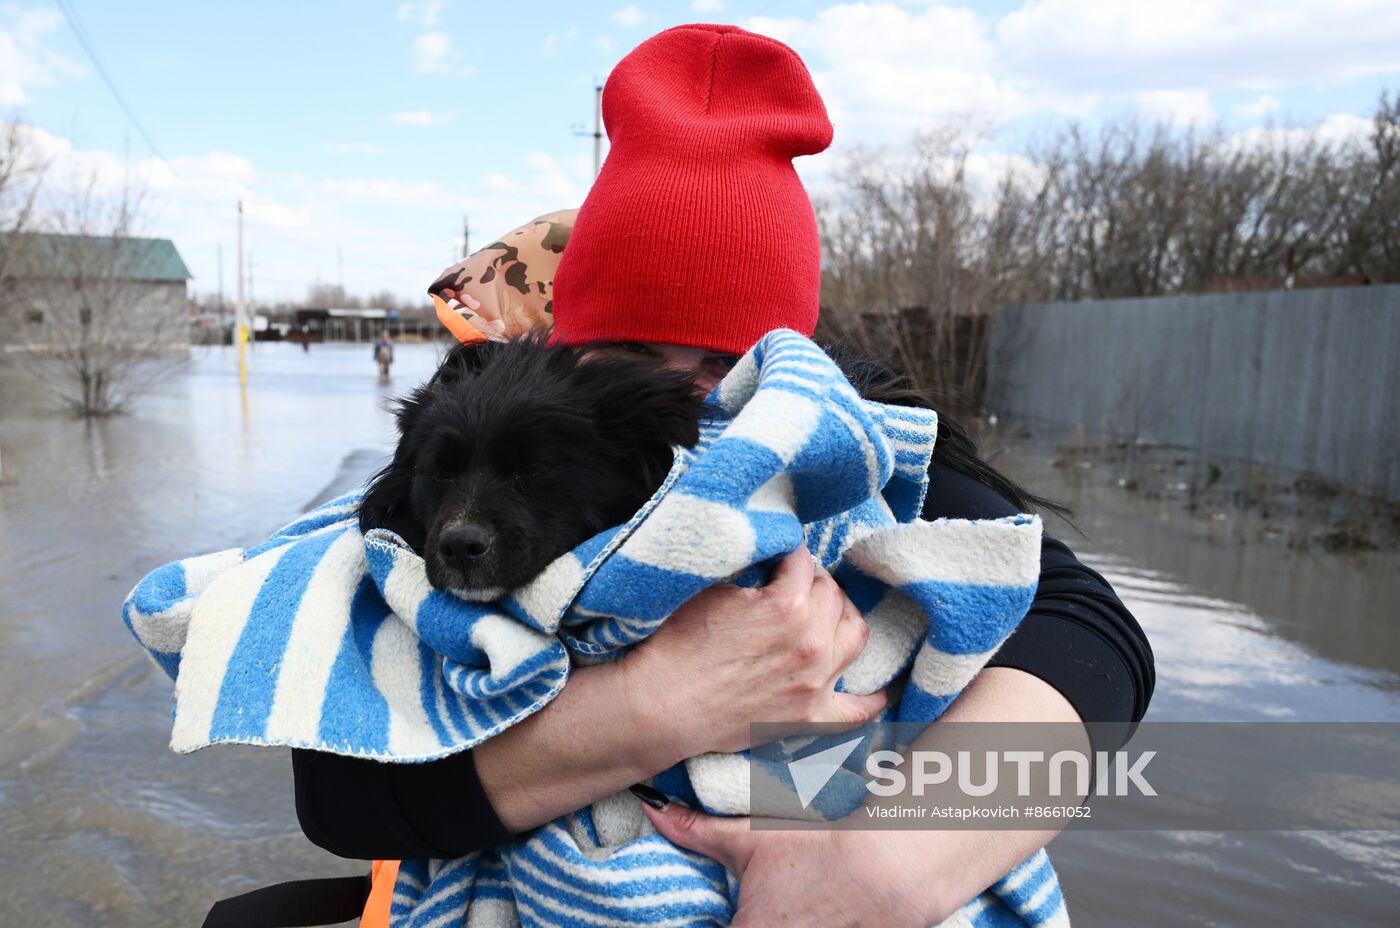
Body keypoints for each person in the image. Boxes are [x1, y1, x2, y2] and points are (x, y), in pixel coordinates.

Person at [295, 24, 1153, 927]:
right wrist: (659, 706)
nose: (682, 398)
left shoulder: (851, 457)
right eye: (631, 353)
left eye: (725, 364)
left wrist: (875, 870)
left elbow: (1094, 639)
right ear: (565, 352)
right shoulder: (477, 449)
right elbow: (337, 796)